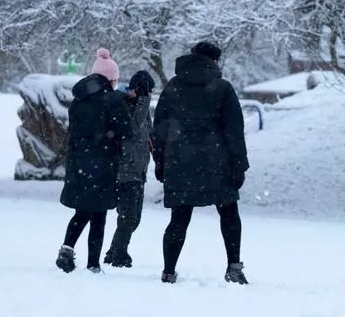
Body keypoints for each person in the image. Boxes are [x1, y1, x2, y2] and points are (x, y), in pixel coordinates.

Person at [150, 41, 250, 284]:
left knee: (179, 219)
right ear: (214, 61)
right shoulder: (222, 88)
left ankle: (168, 271)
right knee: (229, 214)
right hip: (218, 163)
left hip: (179, 162)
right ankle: (234, 267)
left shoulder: (173, 87)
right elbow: (234, 130)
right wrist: (239, 164)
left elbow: (159, 129)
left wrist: (160, 162)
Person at [55, 48, 132, 273]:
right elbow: (125, 130)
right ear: (111, 78)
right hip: (103, 163)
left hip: (79, 163)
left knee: (81, 211)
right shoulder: (112, 100)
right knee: (99, 214)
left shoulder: (78, 101)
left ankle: (67, 248)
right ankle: (93, 264)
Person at [103, 70, 156, 267]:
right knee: (128, 217)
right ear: (137, 90)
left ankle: (113, 251)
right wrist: (142, 101)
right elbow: (132, 130)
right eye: (147, 92)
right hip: (124, 171)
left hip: (138, 171)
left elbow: (148, 136)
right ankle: (119, 254)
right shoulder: (122, 104)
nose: (150, 96)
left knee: (134, 219)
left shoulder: (142, 108)